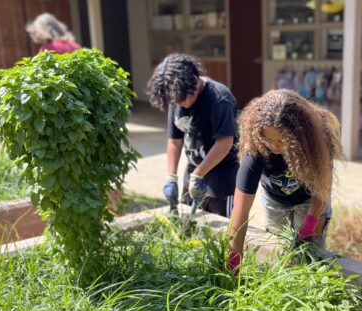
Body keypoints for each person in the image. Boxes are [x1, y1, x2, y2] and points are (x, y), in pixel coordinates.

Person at [227, 89, 342, 273]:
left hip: (309, 199)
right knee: (280, 251)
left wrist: (311, 221)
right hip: (275, 201)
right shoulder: (256, 150)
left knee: (310, 257)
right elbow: (240, 211)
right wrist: (234, 258)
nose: (274, 146)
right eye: (268, 139)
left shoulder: (316, 141)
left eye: (281, 140)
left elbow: (323, 187)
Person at [146, 54, 239, 218]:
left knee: (221, 230)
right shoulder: (177, 96)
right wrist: (171, 176)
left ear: (194, 82)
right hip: (194, 171)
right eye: (175, 101)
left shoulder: (219, 99)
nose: (179, 104)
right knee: (189, 225)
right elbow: (175, 141)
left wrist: (199, 173)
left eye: (182, 100)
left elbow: (225, 143)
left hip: (222, 177)